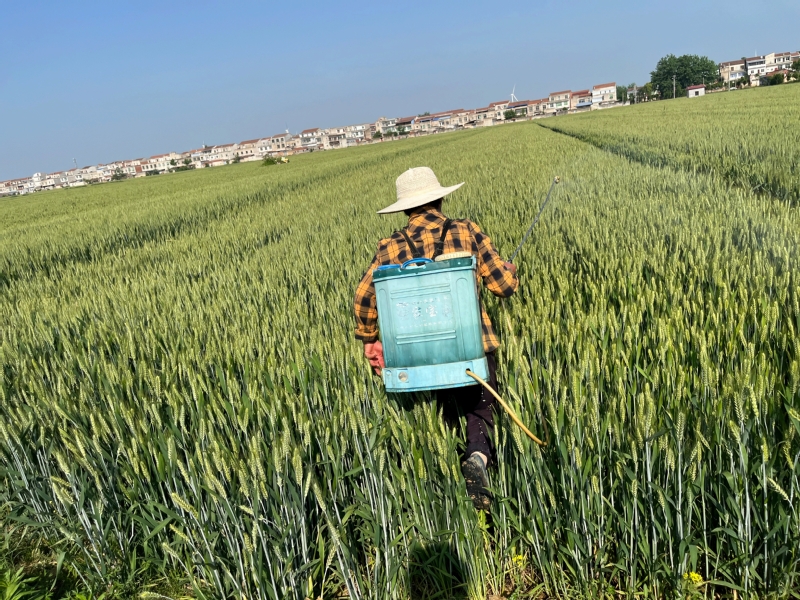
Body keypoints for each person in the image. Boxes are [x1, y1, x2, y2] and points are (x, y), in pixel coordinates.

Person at [353, 166, 518, 510]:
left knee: (441, 420)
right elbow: (503, 286)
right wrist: (510, 273)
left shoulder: (389, 247)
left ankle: (445, 489)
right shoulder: (467, 230)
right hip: (471, 351)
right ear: (440, 199)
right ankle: (477, 458)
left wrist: (370, 339)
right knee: (480, 409)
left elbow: (363, 296)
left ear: (404, 209)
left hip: (418, 361)